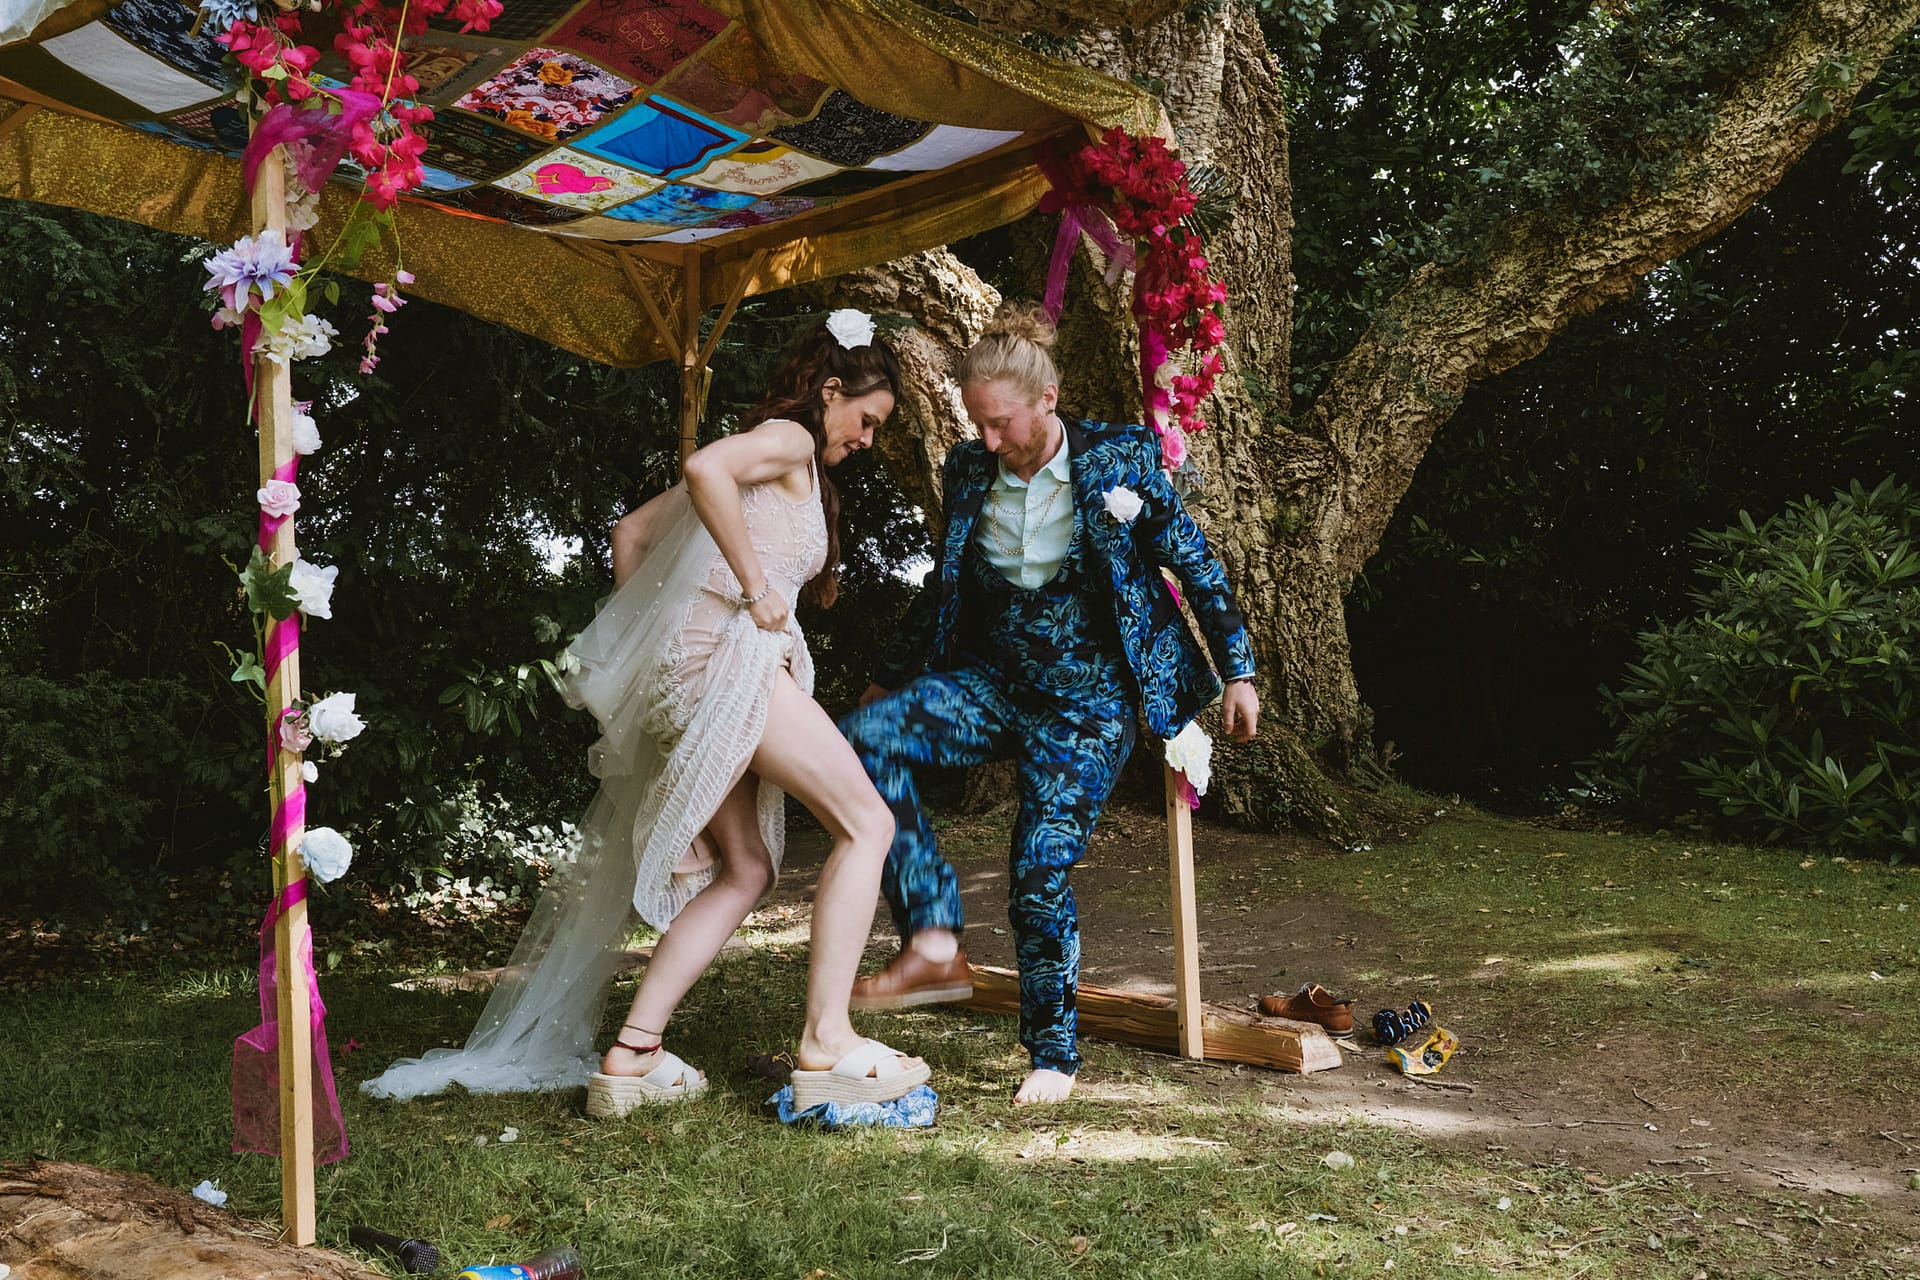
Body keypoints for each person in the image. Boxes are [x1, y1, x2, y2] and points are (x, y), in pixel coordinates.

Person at [362, 312, 927, 1115]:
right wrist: (757, 592)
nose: (868, 438)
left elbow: (630, 535)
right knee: (868, 824)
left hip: (692, 678)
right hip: (733, 667)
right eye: (867, 419)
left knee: (747, 869)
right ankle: (828, 1042)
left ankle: (633, 1056)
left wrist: (662, 653)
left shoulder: (779, 458)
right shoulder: (790, 441)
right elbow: (705, 467)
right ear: (831, 391)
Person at [838, 305, 1259, 1106]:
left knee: (1039, 865)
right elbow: (944, 589)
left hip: (1088, 704)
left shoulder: (1122, 459)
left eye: (1001, 424)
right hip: (992, 686)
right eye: (977, 425)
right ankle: (932, 936)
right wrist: (891, 678)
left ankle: (1053, 1054)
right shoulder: (968, 470)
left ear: (1048, 399)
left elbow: (1196, 567)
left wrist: (1238, 671)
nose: (989, 442)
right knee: (864, 740)